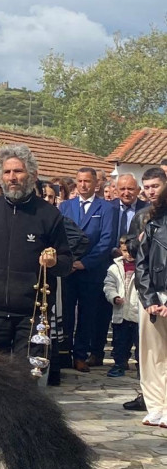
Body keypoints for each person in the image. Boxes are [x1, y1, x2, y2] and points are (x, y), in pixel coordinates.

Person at [0, 144, 72, 466]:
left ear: (31, 174)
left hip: (31, 313)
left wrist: (54, 259)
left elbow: (66, 261)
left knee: (24, 380)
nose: (12, 177)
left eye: (18, 171)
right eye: (7, 172)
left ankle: (20, 441)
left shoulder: (49, 216)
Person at [59, 168, 115, 372]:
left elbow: (107, 240)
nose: (83, 185)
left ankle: (81, 355)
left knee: (87, 314)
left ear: (95, 184)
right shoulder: (65, 206)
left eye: (87, 181)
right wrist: (69, 262)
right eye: (80, 181)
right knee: (65, 314)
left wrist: (85, 262)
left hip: (92, 270)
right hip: (68, 270)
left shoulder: (106, 209)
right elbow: (59, 236)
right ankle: (64, 352)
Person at [134, 182, 167, 427]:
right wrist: (149, 299)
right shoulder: (153, 223)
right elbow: (141, 263)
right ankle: (156, 405)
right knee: (151, 354)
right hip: (154, 298)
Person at [104, 235, 140, 378]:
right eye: (125, 251)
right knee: (120, 341)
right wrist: (114, 297)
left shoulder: (143, 266)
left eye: (132, 252)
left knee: (140, 342)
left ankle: (141, 367)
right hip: (121, 311)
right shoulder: (114, 268)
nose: (128, 255)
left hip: (138, 312)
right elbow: (109, 285)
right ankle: (119, 364)